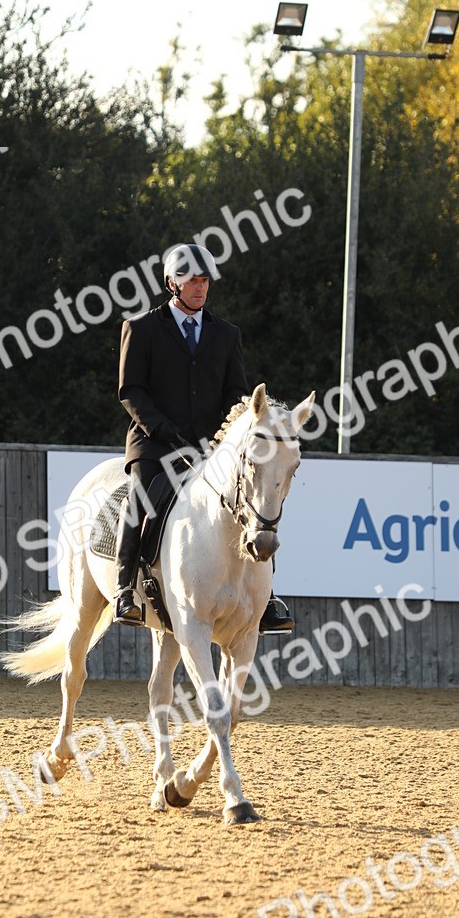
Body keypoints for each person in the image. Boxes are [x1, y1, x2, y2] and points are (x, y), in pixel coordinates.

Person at [114, 241, 294, 633]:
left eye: (205, 281)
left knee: (252, 505)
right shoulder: (141, 329)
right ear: (171, 283)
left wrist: (227, 435)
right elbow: (131, 391)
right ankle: (125, 587)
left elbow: (236, 394)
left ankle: (268, 599)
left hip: (211, 446)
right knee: (141, 495)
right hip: (156, 441)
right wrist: (162, 427)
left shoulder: (226, 334)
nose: (201, 287)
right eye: (193, 280)